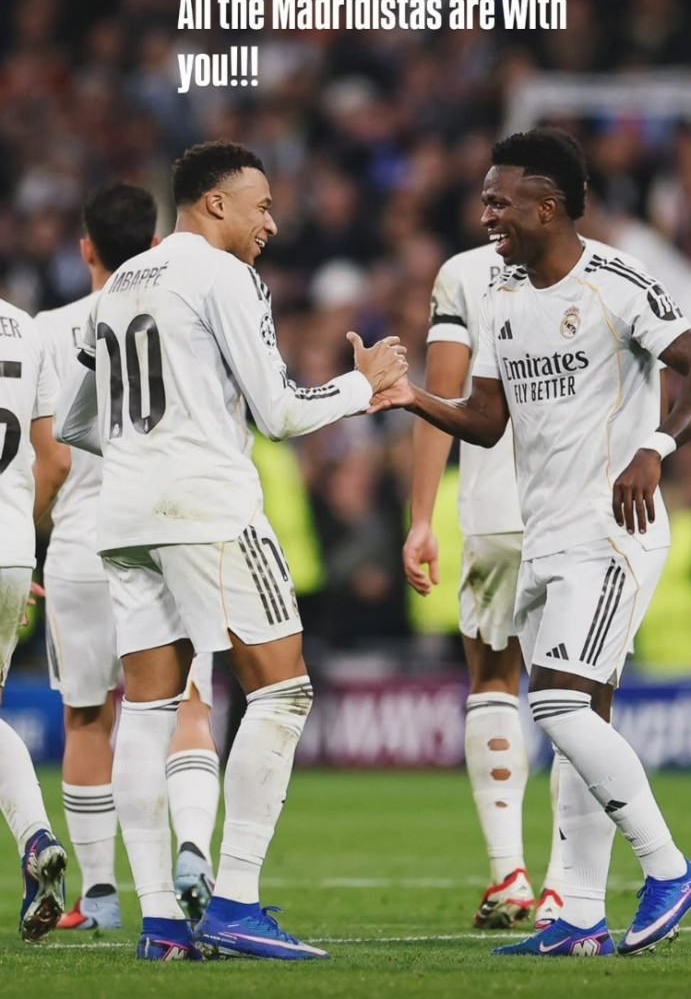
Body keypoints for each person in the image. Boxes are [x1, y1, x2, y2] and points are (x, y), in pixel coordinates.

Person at [373, 128, 691, 957]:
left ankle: (670, 868)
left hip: (611, 533)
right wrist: (409, 397)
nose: (486, 214)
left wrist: (657, 448)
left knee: (558, 704)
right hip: (544, 535)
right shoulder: (500, 295)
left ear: (549, 206)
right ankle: (579, 915)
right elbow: (486, 420)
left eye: (500, 201)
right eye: (485, 200)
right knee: (580, 719)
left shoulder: (617, 282)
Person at [55, 139, 407, 962]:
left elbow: (75, 422)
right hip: (207, 509)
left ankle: (161, 925)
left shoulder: (120, 285)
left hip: (124, 516)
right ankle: (238, 900)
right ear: (216, 203)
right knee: (282, 690)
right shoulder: (224, 275)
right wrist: (364, 385)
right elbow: (280, 413)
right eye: (262, 206)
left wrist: (145, 450)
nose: (272, 224)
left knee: (146, 711)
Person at [404, 226, 659, 932]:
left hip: (493, 511)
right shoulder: (610, 273)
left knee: (492, 680)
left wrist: (421, 517)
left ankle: (507, 873)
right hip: (580, 508)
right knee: (583, 702)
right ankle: (561, 889)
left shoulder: (463, 273)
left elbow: (443, 393)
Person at [36, 184, 220, 932]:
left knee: (87, 717)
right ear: (153, 246)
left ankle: (102, 895)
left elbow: (51, 456)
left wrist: (34, 541)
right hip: (167, 531)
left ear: (86, 247)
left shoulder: (50, 330)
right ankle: (192, 848)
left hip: (82, 543)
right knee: (185, 705)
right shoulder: (181, 307)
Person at [0, 294, 70, 940]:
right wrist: (17, 554)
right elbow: (56, 458)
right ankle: (36, 840)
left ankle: (34, 839)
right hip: (12, 549)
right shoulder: (25, 328)